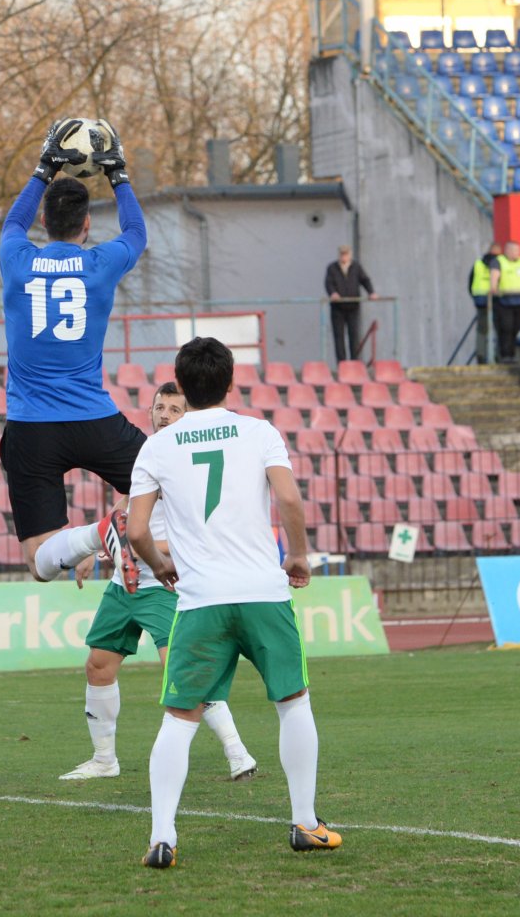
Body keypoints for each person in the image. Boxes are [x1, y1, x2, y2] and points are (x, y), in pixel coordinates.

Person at [128, 337, 337, 867]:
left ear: (182, 382)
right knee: (293, 702)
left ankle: (161, 837)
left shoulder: (157, 446)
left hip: (200, 600)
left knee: (180, 718)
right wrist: (298, 556)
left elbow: (136, 531)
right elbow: (287, 497)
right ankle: (305, 823)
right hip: (263, 593)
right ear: (230, 382)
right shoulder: (259, 431)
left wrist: (159, 565)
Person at [61, 382, 256, 783]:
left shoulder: (188, 461)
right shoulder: (148, 453)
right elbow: (125, 508)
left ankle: (238, 752)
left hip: (166, 585)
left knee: (183, 671)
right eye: (159, 407)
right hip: (124, 585)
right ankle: (104, 760)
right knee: (98, 665)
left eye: (174, 409)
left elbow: (200, 529)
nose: (164, 415)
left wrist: (144, 546)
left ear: (188, 415)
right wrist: (94, 549)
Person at [0, 121, 149, 591]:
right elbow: (136, 231)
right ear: (87, 226)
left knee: (39, 562)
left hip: (31, 426)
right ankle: (113, 531)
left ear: (44, 223)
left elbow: (12, 224)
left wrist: (43, 169)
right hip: (94, 418)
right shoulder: (100, 263)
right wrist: (118, 175)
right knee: (165, 480)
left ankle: (90, 537)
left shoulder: (17, 259)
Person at [323, 245, 374, 364]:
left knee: (353, 335)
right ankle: (342, 364)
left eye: (346, 254)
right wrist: (333, 293)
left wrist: (371, 292)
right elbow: (328, 283)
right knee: (338, 336)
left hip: (353, 307)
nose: (344, 257)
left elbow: (365, 280)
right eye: (342, 254)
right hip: (337, 308)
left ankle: (354, 363)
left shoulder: (356, 267)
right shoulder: (332, 268)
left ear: (350, 255)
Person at [493, 241, 520, 368]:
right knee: (506, 328)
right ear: (507, 250)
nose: (517, 253)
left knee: (516, 328)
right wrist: (493, 287)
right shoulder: (499, 261)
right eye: (515, 250)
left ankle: (512, 354)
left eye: (518, 250)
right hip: (504, 302)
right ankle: (505, 355)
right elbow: (494, 275)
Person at [469, 242, 502, 365]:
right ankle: (498, 356)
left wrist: (476, 297)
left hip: (481, 301)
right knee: (500, 329)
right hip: (498, 301)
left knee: (482, 330)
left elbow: (470, 283)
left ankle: (481, 356)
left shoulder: (478, 263)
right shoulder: (501, 263)